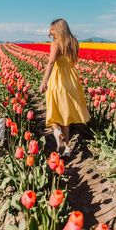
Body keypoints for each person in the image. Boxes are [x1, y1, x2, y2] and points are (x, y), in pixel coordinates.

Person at [40, 18, 89, 156]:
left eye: (52, 30)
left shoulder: (56, 44)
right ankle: (66, 148)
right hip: (71, 81)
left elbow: (50, 63)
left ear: (57, 29)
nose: (50, 33)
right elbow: (73, 61)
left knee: (53, 111)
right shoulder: (74, 43)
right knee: (65, 115)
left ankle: (56, 133)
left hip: (58, 80)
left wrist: (44, 81)